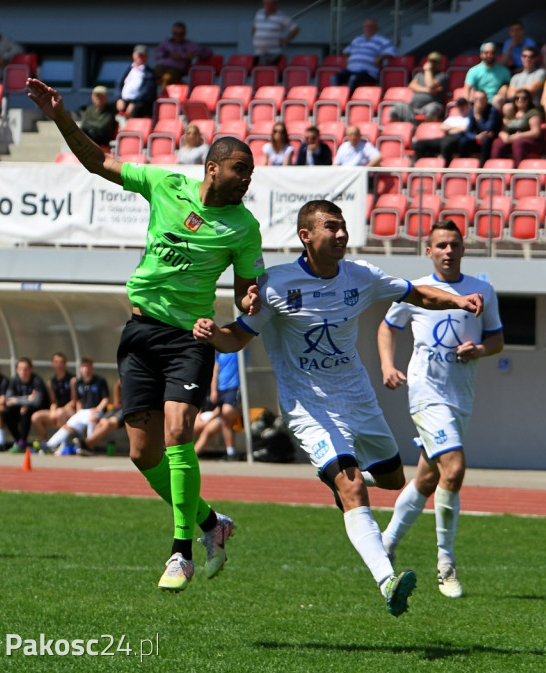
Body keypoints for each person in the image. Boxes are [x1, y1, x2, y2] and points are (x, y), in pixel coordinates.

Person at [192, 199, 486, 617]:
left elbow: (416, 292)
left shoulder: (360, 276)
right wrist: (210, 334)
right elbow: (236, 337)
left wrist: (457, 301)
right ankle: (387, 580)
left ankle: (340, 479)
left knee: (391, 478)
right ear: (305, 236)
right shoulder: (275, 285)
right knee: (352, 485)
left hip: (358, 398)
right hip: (308, 405)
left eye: (344, 226)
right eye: (331, 227)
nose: (342, 234)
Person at [28, 76, 266, 592]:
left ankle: (180, 552)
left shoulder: (244, 228)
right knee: (141, 453)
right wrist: (60, 115)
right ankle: (211, 524)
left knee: (179, 432)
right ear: (212, 168)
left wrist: (249, 300)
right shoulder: (165, 184)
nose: (246, 180)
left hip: (189, 339)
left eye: (250, 173)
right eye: (239, 170)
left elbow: (249, 292)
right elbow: (98, 162)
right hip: (140, 332)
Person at [378, 220, 504, 598]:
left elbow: (496, 338)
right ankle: (445, 563)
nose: (448, 251)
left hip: (460, 397)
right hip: (424, 392)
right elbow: (387, 327)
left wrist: (480, 349)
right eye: (441, 245)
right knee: (455, 467)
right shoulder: (416, 291)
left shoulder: (483, 290)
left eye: (454, 244)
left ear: (463, 249)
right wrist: (387, 365)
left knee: (429, 478)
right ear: (428, 251)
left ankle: (384, 545)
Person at [41, 357, 110, 456]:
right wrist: (78, 411)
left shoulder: (100, 381)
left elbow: (106, 399)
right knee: (68, 425)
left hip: (97, 410)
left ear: (92, 368)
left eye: (88, 366)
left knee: (91, 420)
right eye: (83, 367)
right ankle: (50, 445)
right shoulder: (79, 383)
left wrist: (97, 409)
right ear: (80, 369)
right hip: (83, 411)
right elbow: (79, 400)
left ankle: (89, 446)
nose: (86, 369)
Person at [194, 351, 242, 461]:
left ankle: (192, 455)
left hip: (231, 390)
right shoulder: (219, 354)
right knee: (198, 427)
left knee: (225, 414)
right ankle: (230, 452)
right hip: (218, 400)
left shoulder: (237, 350)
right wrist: (214, 390)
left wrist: (210, 418)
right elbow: (215, 370)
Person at [334, 18, 396, 94]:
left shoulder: (382, 40)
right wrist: (347, 58)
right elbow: (346, 51)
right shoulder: (357, 40)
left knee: (354, 79)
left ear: (376, 28)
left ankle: (348, 99)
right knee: (335, 77)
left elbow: (390, 52)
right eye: (366, 26)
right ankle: (336, 97)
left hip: (367, 72)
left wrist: (380, 57)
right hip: (351, 69)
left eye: (371, 26)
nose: (368, 28)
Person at [1, 357, 49, 453]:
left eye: (26, 369)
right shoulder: (14, 380)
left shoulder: (37, 381)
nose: (23, 372)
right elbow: (9, 399)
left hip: (38, 408)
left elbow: (36, 401)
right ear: (17, 370)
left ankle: (22, 442)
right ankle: (19, 441)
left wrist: (19, 401)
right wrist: (26, 399)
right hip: (21, 407)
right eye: (20, 369)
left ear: (31, 370)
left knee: (26, 411)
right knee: (5, 413)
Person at [30, 352, 76, 448]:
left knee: (60, 413)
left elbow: (74, 401)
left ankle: (62, 444)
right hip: (57, 411)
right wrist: (53, 410)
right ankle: (45, 442)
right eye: (56, 362)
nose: (58, 365)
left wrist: (60, 410)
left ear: (65, 364)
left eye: (61, 362)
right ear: (52, 364)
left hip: (70, 410)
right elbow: (53, 401)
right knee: (35, 417)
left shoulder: (72, 379)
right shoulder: (51, 382)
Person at [490, 88, 545, 164]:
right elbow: (502, 130)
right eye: (517, 98)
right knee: (498, 143)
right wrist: (504, 135)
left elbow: (536, 132)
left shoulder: (533, 112)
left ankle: (518, 170)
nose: (520, 100)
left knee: (518, 143)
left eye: (524, 98)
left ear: (529, 100)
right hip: (512, 140)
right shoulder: (511, 113)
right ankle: (495, 169)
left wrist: (519, 136)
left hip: (530, 142)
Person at [411, 97, 471, 162]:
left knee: (446, 144)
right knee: (419, 144)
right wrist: (457, 129)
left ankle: (446, 167)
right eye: (459, 106)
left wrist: (450, 129)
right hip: (447, 138)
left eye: (463, 106)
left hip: (459, 139)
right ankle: (419, 165)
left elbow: (465, 129)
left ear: (467, 106)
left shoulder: (470, 118)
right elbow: (443, 127)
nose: (461, 108)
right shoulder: (452, 118)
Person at [154, 21, 214, 87]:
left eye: (180, 34)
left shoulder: (189, 45)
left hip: (176, 70)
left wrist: (195, 54)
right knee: (148, 75)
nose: (178, 36)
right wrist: (170, 54)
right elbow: (157, 54)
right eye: (175, 33)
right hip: (160, 67)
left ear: (184, 34)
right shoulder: (166, 42)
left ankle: (164, 96)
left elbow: (208, 51)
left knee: (167, 77)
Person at [399, 52, 449, 122]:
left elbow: (430, 85)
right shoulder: (419, 75)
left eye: (435, 62)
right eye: (431, 62)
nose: (432, 65)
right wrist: (428, 91)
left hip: (431, 105)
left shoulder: (442, 76)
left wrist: (428, 70)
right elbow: (412, 85)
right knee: (397, 108)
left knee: (432, 109)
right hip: (414, 106)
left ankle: (426, 131)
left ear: (439, 64)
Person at [463, 43, 511, 109]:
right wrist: (467, 104)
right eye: (486, 53)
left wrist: (506, 86)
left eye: (492, 53)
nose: (489, 55)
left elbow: (510, 84)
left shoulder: (503, 70)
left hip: (497, 103)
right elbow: (467, 89)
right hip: (480, 103)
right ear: (481, 54)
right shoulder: (473, 71)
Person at [252, 0, 299, 66]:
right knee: (257, 72)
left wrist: (285, 41)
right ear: (263, 4)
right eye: (267, 3)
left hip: (273, 52)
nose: (269, 6)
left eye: (272, 4)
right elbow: (254, 27)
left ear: (276, 4)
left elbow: (295, 29)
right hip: (258, 52)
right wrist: (257, 38)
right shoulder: (259, 13)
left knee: (267, 73)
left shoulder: (281, 16)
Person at [115, 45, 157, 119]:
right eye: (138, 55)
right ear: (133, 55)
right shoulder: (128, 69)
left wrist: (134, 103)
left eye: (142, 55)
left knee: (136, 109)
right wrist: (119, 98)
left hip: (140, 103)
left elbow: (146, 91)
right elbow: (119, 83)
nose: (139, 57)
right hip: (124, 101)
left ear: (146, 57)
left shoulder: (149, 73)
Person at [85, 379, 124, 454]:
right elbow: (117, 385)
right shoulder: (125, 377)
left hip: (129, 409)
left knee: (108, 423)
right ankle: (90, 445)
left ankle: (88, 444)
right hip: (119, 407)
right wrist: (117, 404)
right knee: (101, 421)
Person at [467, 90, 502, 166]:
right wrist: (475, 137)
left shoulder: (493, 111)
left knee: (486, 140)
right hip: (477, 137)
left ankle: (482, 167)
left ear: (486, 100)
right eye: (476, 99)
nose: (479, 101)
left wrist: (478, 117)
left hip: (491, 137)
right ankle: (462, 168)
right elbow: (468, 131)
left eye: (481, 99)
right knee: (463, 141)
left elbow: (487, 130)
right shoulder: (472, 110)